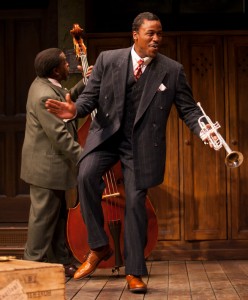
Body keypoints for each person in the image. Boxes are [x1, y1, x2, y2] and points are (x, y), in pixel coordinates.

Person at [45, 12, 213, 293]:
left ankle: (134, 271)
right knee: (86, 175)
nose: (157, 39)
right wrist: (75, 109)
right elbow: (90, 96)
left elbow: (189, 108)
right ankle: (98, 246)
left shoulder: (171, 70)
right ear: (135, 35)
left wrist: (203, 130)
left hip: (141, 146)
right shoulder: (109, 60)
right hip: (107, 137)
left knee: (135, 203)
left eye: (160, 33)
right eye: (151, 33)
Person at [20, 48, 92, 277]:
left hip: (54, 166)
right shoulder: (44, 95)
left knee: (57, 215)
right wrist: (85, 158)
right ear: (55, 70)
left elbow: (65, 97)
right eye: (64, 63)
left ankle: (60, 261)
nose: (68, 65)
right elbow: (60, 136)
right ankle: (32, 265)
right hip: (46, 167)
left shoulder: (47, 84)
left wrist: (84, 84)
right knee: (43, 218)